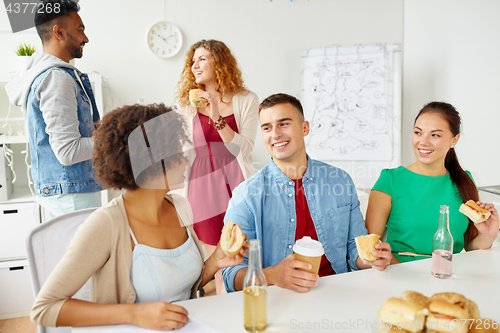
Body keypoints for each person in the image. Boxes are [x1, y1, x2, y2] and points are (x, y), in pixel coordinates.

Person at [30, 104, 247, 330]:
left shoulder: (180, 206)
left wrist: (215, 262)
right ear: (151, 160)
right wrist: (134, 314)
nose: (186, 160)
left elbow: (179, 288)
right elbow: (44, 309)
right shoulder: (106, 225)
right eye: (177, 152)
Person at [221, 93, 392, 293]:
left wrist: (372, 259)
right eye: (267, 127)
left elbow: (355, 250)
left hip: (338, 292)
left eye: (283, 124)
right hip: (279, 297)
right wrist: (273, 275)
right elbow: (231, 274)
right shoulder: (246, 195)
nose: (275, 134)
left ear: (305, 128)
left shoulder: (341, 181)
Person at [365, 101, 499, 264]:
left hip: (451, 272)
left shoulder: (464, 180)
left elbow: (470, 246)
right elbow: (370, 249)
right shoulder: (390, 180)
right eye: (418, 132)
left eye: (435, 135)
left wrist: (488, 235)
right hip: (399, 273)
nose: (423, 141)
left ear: (454, 140)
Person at [176, 39, 259, 293]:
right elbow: (184, 152)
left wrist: (216, 117)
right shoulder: (187, 105)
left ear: (219, 63)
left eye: (201, 59)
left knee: (242, 254)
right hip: (202, 187)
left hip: (236, 182)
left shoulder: (247, 99)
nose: (194, 66)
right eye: (192, 62)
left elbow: (242, 148)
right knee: (218, 262)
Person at [5, 0, 102, 217]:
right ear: (59, 32)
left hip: (68, 194)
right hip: (73, 198)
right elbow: (68, 151)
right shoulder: (57, 78)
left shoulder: (49, 75)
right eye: (80, 30)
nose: (86, 38)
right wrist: (117, 138)